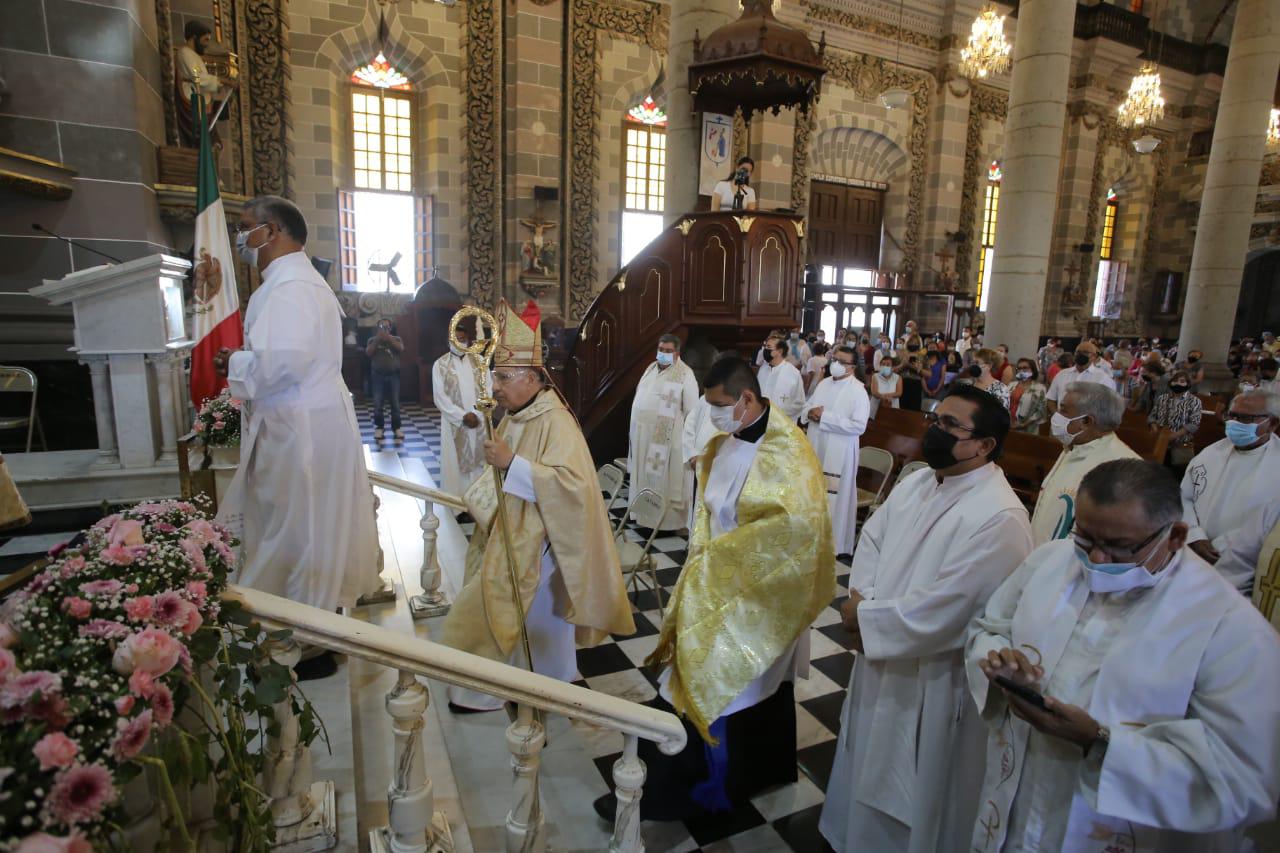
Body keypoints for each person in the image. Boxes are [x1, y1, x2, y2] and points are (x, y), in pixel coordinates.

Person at [967, 460, 1280, 852]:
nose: (1096, 559)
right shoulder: (1052, 561)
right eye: (1086, 538)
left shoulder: (1231, 630)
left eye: (1117, 546)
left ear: (1176, 536)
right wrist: (1001, 664)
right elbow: (990, 627)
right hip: (1019, 800)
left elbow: (1243, 780)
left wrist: (1098, 741)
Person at [595, 356, 834, 821]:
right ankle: (682, 778)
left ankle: (698, 789)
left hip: (761, 596)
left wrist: (722, 567)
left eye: (721, 404)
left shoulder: (790, 453)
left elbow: (796, 531)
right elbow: (709, 513)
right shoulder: (725, 443)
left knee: (719, 684)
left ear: (747, 399)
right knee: (692, 677)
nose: (715, 414)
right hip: (715, 584)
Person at [820, 384, 1034, 853]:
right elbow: (872, 540)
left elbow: (951, 607)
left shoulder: (999, 517)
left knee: (918, 795)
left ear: (983, 445)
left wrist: (867, 616)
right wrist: (864, 604)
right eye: (936, 419)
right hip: (881, 654)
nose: (935, 430)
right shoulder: (920, 482)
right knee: (863, 765)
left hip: (933, 678)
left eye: (950, 425)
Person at [214, 196, 380, 675]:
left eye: (247, 228)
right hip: (304, 420)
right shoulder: (296, 282)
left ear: (275, 231)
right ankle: (309, 629)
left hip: (299, 429)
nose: (241, 239)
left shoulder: (290, 288)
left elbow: (282, 361)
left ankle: (304, 639)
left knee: (298, 530)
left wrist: (234, 362)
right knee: (302, 526)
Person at [442, 299, 635, 711]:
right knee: (503, 609)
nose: (497, 387)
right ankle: (497, 684)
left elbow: (573, 487)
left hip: (543, 542)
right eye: (496, 377)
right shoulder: (518, 411)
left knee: (524, 613)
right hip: (512, 530)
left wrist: (512, 464)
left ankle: (541, 683)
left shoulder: (556, 420)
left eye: (505, 378)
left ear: (532, 378)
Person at [1180, 390, 1280, 565]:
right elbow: (1183, 497)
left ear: (1272, 423)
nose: (1235, 423)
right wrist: (1194, 535)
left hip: (1243, 565)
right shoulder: (1210, 454)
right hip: (1191, 551)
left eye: (1246, 418)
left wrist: (1223, 546)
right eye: (1232, 416)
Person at [1031, 383, 1139, 545]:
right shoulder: (1075, 445)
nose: (1056, 415)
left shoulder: (1121, 470)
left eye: (1064, 410)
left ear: (1086, 421)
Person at [803, 345, 871, 557]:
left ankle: (832, 544)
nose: (836, 364)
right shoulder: (823, 384)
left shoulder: (858, 391)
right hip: (816, 444)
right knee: (812, 493)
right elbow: (808, 406)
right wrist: (810, 413)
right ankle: (810, 538)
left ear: (851, 367)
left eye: (842, 362)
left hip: (839, 452)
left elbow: (859, 426)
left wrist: (825, 417)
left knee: (833, 497)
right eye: (835, 359)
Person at [627, 334, 700, 531]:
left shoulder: (685, 374)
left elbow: (692, 411)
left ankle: (666, 523)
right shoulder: (651, 369)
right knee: (643, 475)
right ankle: (643, 516)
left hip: (667, 441)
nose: (663, 354)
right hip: (643, 436)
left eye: (668, 351)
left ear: (677, 353)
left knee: (665, 481)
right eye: (661, 350)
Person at [432, 323, 489, 500]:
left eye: (463, 339)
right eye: (456, 339)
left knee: (481, 462)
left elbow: (489, 388)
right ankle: (458, 504)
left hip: (479, 420)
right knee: (455, 465)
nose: (459, 342)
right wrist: (462, 416)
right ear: (449, 340)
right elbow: (439, 396)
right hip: (455, 423)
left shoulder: (480, 362)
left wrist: (477, 414)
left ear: (468, 340)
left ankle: (480, 501)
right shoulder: (440, 364)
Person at [175, 21, 230, 148]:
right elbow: (197, 77)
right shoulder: (185, 53)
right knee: (206, 142)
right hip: (194, 103)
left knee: (213, 142)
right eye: (205, 40)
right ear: (194, 37)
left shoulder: (195, 56)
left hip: (202, 104)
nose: (206, 45)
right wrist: (222, 81)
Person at [1147, 368, 1202, 465]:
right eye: (1175, 381)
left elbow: (1194, 423)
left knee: (1177, 472)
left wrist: (1173, 436)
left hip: (1179, 444)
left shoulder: (1194, 401)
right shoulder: (1163, 398)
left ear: (1188, 384)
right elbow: (1152, 416)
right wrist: (1154, 427)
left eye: (1182, 381)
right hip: (1159, 442)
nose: (1177, 384)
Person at [1045, 341, 1113, 413]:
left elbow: (1108, 406)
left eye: (1085, 352)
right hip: (1061, 422)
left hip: (1088, 422)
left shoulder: (1103, 378)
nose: (1081, 354)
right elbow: (1051, 399)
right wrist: (1057, 416)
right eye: (1078, 352)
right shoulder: (1062, 374)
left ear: (1094, 357)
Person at [365, 318, 404, 440]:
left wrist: (389, 338)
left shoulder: (396, 339)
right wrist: (378, 339)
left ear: (390, 328)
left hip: (393, 376)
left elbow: (400, 348)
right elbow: (368, 353)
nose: (384, 329)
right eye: (382, 327)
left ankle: (397, 428)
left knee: (395, 404)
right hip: (378, 376)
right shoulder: (372, 340)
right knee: (378, 404)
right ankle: (379, 428)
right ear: (377, 328)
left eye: (386, 327)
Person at [756, 336, 806, 420]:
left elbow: (799, 403)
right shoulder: (763, 369)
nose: (765, 350)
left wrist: (777, 412)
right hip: (761, 419)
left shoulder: (793, 373)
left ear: (779, 351)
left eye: (768, 347)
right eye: (765, 346)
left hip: (782, 422)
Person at [1007, 358, 1047, 433]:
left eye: (1025, 368)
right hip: (1008, 425)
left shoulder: (1040, 388)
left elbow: (1041, 411)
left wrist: (1024, 424)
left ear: (1033, 370)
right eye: (1019, 368)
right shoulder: (1011, 385)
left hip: (1028, 429)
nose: (1022, 370)